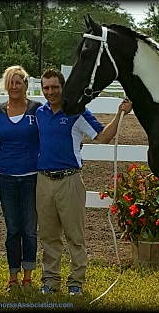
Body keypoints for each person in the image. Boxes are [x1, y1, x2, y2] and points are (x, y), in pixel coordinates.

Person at [36, 68, 132, 296]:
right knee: (48, 236)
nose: (50, 92)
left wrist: (120, 114)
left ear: (63, 87)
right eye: (46, 87)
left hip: (69, 180)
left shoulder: (77, 114)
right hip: (43, 181)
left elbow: (103, 137)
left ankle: (75, 282)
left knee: (74, 235)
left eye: (55, 87)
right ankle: (50, 282)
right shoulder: (39, 113)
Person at [0, 65, 42, 291]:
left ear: (25, 85)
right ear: (6, 85)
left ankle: (28, 277)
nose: (14, 86)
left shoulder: (36, 110)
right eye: (10, 82)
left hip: (31, 176)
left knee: (30, 229)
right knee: (13, 229)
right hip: (6, 177)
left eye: (18, 82)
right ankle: (12, 276)